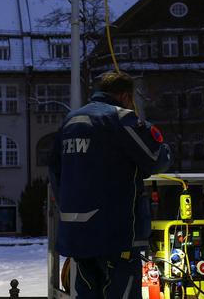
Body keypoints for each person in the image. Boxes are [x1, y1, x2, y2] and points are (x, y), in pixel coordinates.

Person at [49, 71, 172, 299]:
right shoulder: (119, 118)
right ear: (125, 96)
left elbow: (55, 172)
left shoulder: (71, 121)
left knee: (87, 292)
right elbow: (157, 159)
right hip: (115, 233)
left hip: (77, 234)